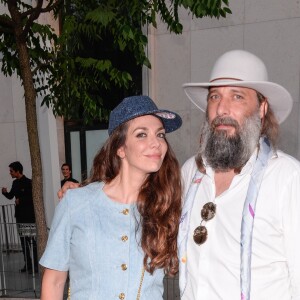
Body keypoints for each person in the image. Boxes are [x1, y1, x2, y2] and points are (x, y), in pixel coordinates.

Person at [178, 49, 300, 300]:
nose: (222, 107)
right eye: (214, 96)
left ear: (262, 108)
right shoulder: (191, 171)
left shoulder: (288, 178)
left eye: (237, 97)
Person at [40, 95, 182, 299]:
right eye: (142, 134)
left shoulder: (168, 206)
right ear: (121, 148)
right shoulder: (76, 203)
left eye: (160, 135)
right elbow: (54, 281)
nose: (156, 143)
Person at [2, 161, 38, 273]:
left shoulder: (29, 182)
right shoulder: (15, 183)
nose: (10, 173)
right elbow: (11, 196)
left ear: (18, 171)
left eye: (11, 171)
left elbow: (32, 198)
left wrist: (20, 200)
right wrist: (5, 193)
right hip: (19, 216)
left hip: (28, 216)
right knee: (23, 242)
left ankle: (36, 265)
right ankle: (27, 264)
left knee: (31, 241)